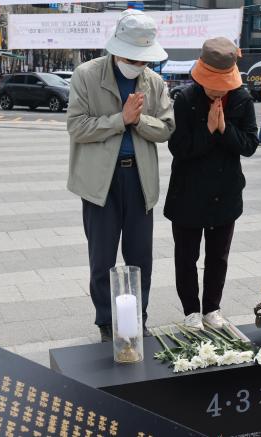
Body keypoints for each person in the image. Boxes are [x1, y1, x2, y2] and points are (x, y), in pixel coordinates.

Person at [66, 10, 175, 342]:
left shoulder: (154, 82)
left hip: (139, 181)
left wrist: (138, 120)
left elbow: (167, 128)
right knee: (102, 256)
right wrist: (120, 118)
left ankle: (137, 319)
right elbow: (77, 127)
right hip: (100, 181)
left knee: (140, 257)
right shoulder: (86, 75)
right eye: (132, 58)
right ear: (116, 49)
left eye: (144, 60)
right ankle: (105, 321)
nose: (138, 65)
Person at [164, 37, 258, 330]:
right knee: (186, 256)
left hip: (225, 192)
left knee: (218, 256)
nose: (216, 89)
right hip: (188, 193)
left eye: (222, 83)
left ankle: (212, 308)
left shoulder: (242, 99)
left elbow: (250, 144)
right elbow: (178, 148)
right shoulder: (186, 99)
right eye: (211, 82)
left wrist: (224, 129)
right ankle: (191, 309)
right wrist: (207, 131)